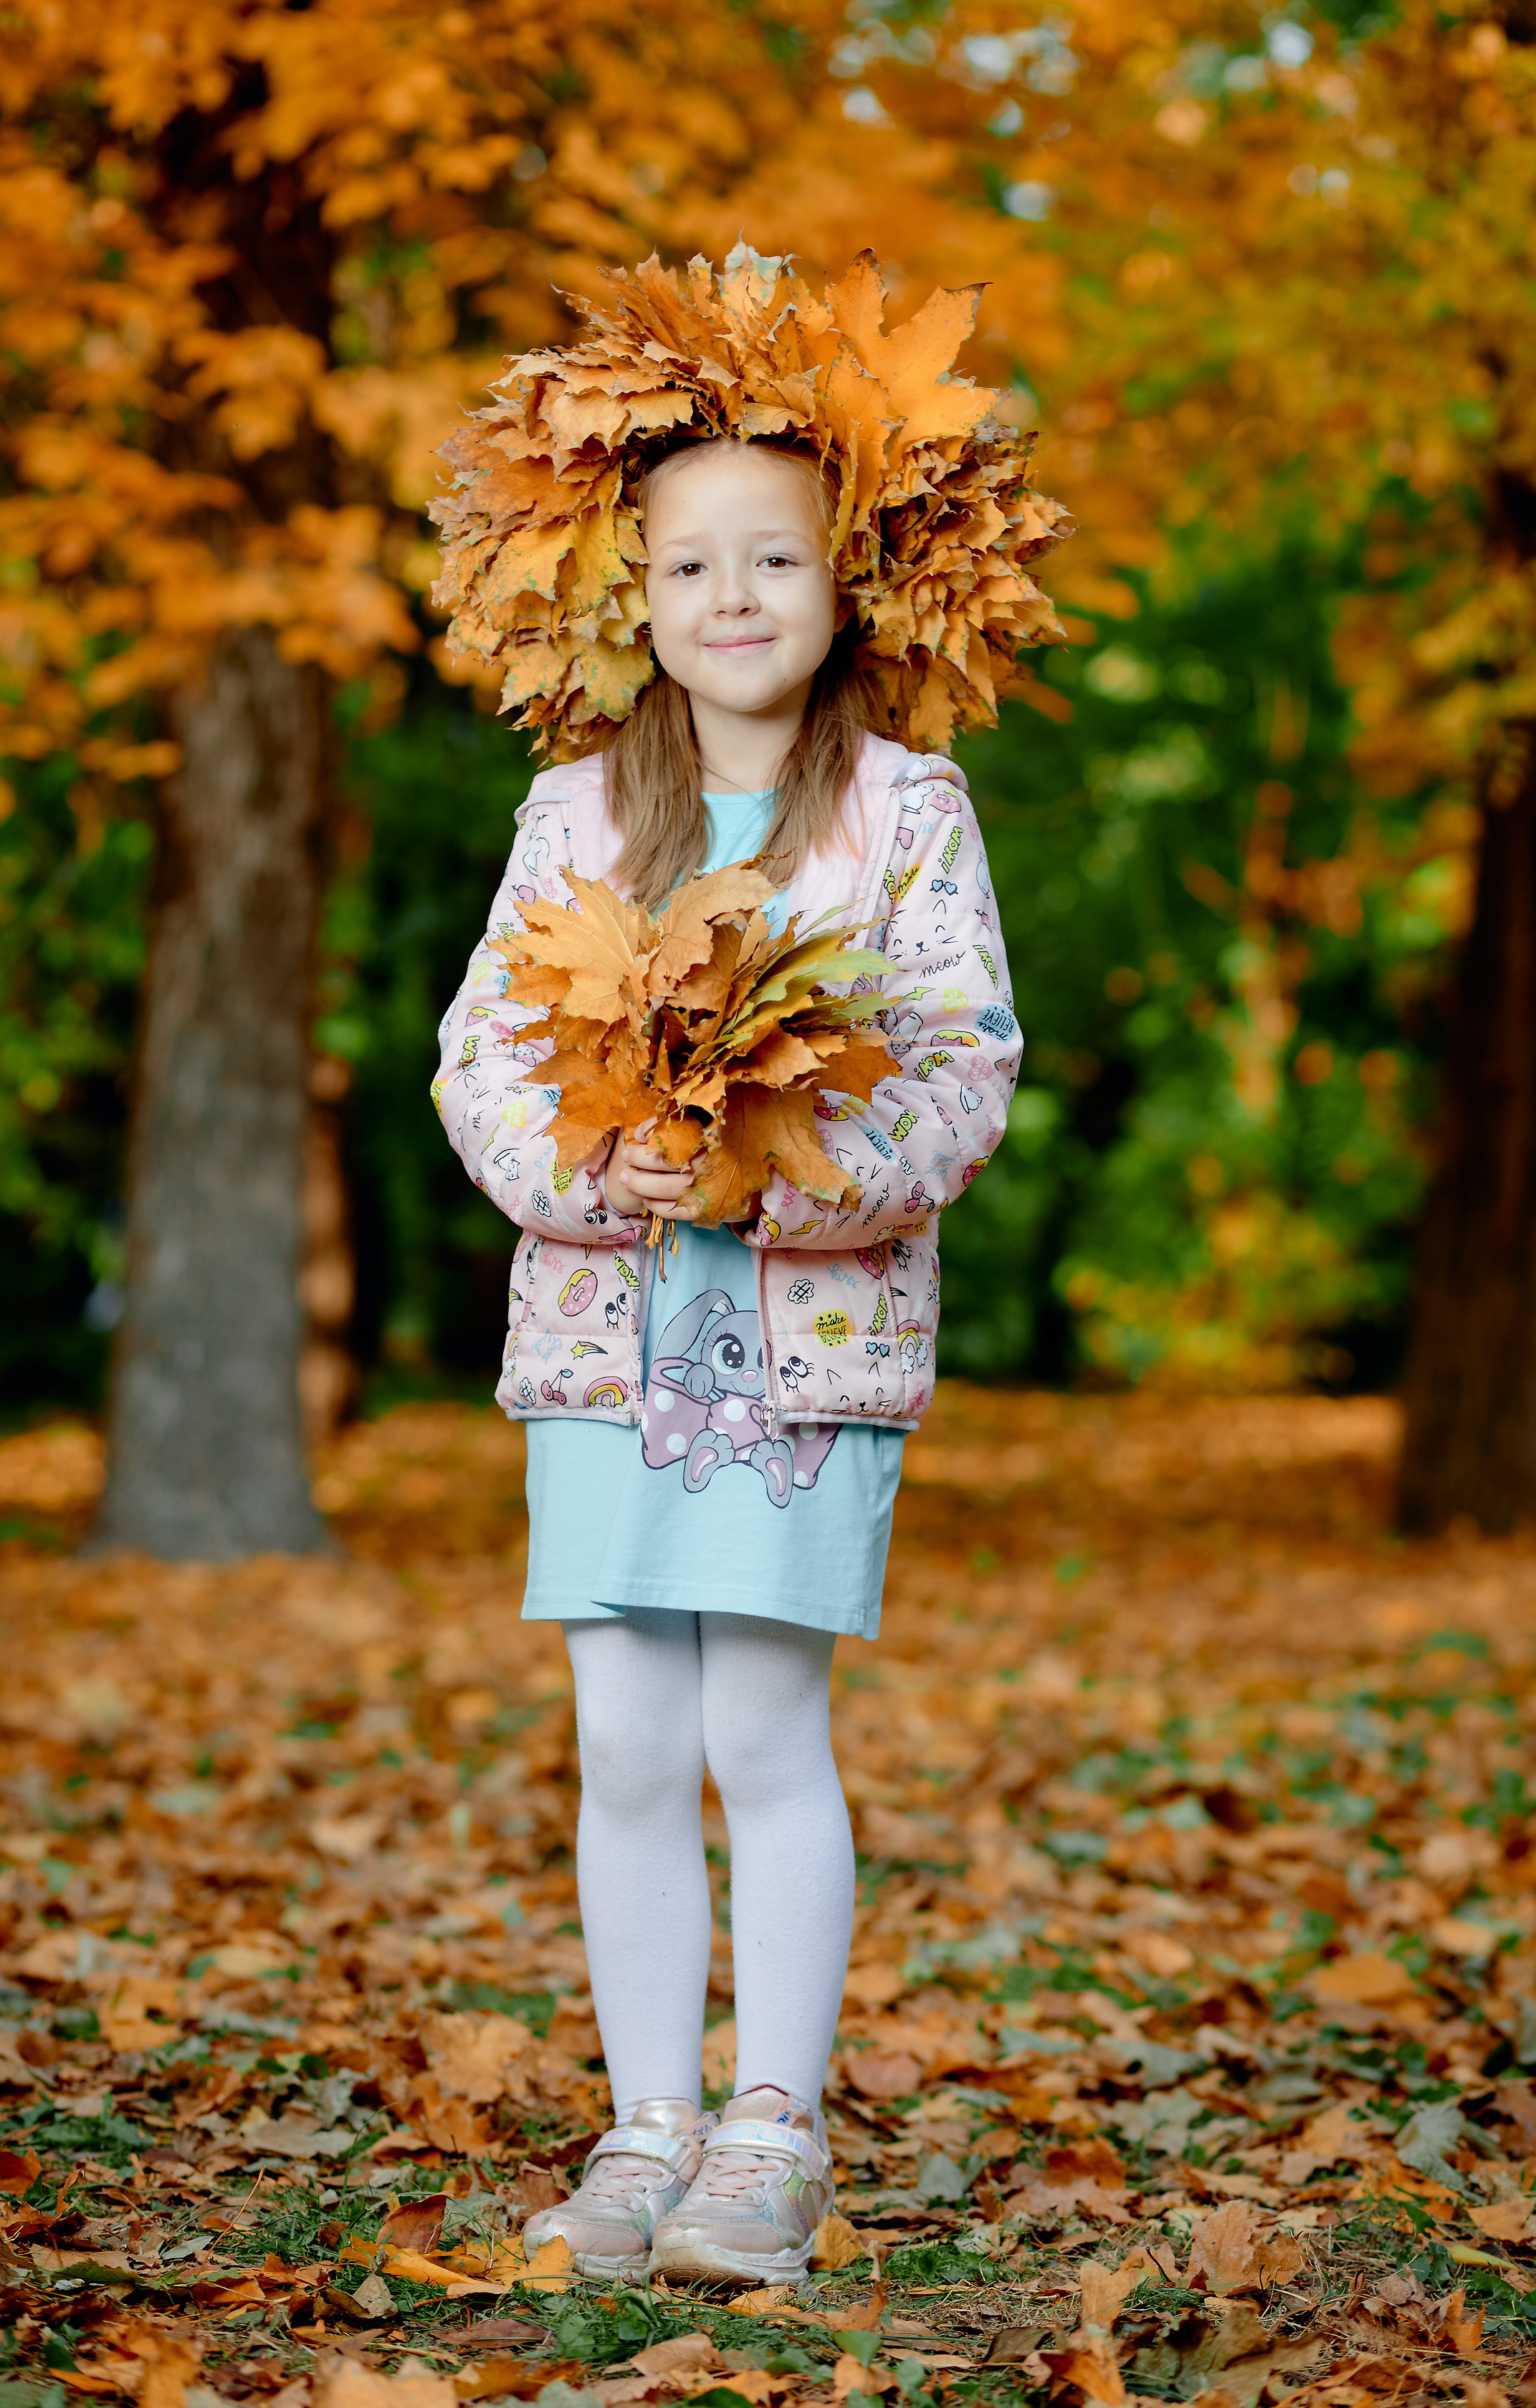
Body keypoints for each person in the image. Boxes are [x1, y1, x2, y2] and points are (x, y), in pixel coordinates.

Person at [431, 249, 1063, 2288]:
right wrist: (588, 1174)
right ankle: (646, 2127)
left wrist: (785, 1183)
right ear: (639, 593)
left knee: (759, 1736)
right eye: (692, 565)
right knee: (624, 1739)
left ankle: (772, 2135)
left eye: (773, 563)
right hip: (605, 1341)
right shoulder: (570, 816)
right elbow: (480, 1059)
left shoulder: (901, 812)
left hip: (804, 1346)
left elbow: (963, 1066)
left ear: (841, 583)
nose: (732, 601)